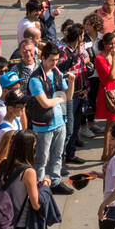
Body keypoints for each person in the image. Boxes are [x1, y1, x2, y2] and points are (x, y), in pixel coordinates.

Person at [27, 43, 74, 195]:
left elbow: (69, 96)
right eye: (52, 60)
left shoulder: (57, 72)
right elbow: (45, 103)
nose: (55, 63)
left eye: (56, 60)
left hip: (59, 121)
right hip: (43, 125)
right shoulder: (35, 79)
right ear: (43, 58)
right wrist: (60, 99)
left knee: (58, 154)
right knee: (41, 159)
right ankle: (40, 186)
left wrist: (71, 82)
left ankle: (55, 181)